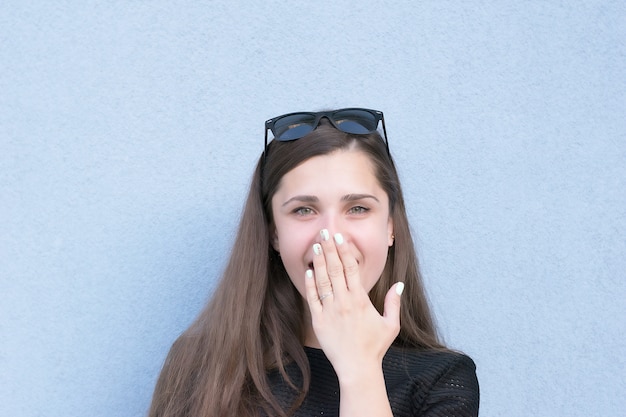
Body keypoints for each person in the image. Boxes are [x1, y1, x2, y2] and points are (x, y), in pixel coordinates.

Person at [147, 108, 479, 417]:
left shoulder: (443, 380)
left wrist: (360, 369)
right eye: (303, 210)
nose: (330, 235)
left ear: (390, 226)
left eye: (358, 208)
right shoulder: (198, 365)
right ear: (274, 233)